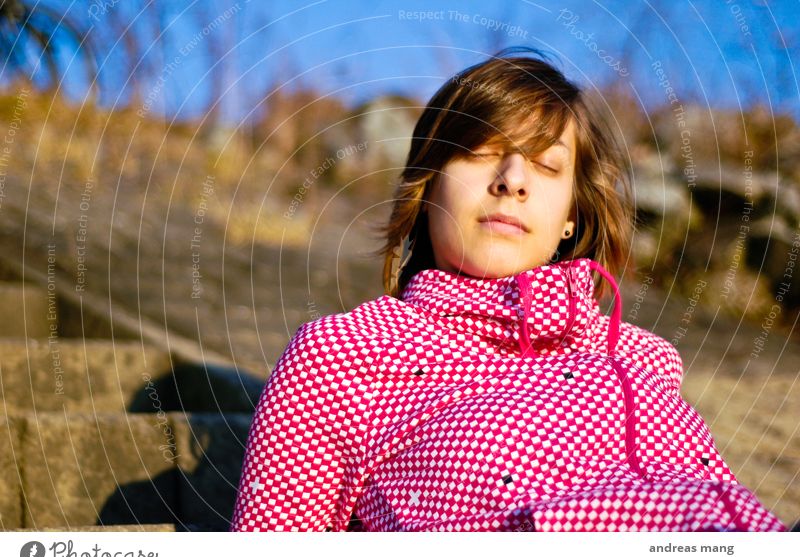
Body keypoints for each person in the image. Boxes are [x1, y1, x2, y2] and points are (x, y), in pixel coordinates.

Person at [229, 47, 787, 532]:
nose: (513, 179)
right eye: (479, 152)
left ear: (571, 214)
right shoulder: (346, 353)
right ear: (429, 186)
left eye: (547, 166)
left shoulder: (642, 359)